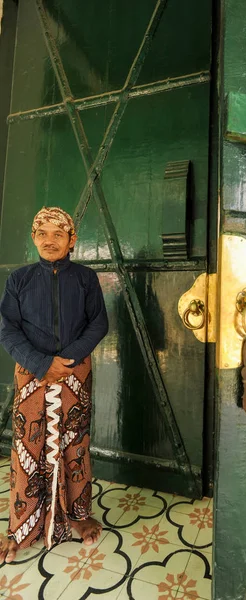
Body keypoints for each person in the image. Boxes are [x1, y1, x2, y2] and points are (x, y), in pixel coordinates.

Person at [0, 206, 108, 563]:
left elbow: (98, 325)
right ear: (34, 238)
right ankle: (22, 527)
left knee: (74, 444)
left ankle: (78, 517)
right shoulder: (19, 281)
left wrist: (67, 362)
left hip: (74, 375)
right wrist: (42, 365)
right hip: (30, 374)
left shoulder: (86, 279)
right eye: (43, 234)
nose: (50, 240)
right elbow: (8, 330)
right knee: (27, 448)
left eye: (58, 234)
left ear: (71, 240)